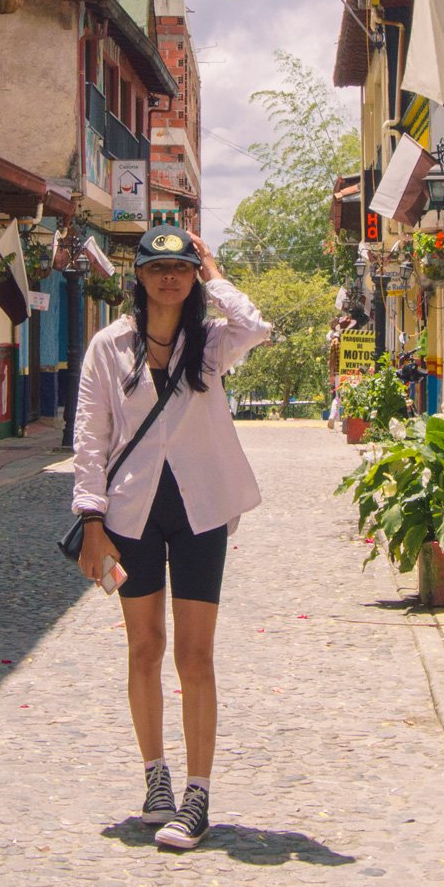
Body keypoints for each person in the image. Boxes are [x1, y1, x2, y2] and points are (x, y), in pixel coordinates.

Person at [71, 225, 271, 850]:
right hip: (132, 512)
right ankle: (156, 780)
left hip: (200, 509)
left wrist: (214, 271)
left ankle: (198, 796)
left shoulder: (210, 344)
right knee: (144, 647)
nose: (169, 277)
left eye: (180, 268)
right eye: (159, 267)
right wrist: (91, 521)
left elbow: (256, 326)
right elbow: (90, 439)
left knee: (195, 655)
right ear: (139, 275)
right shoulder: (110, 346)